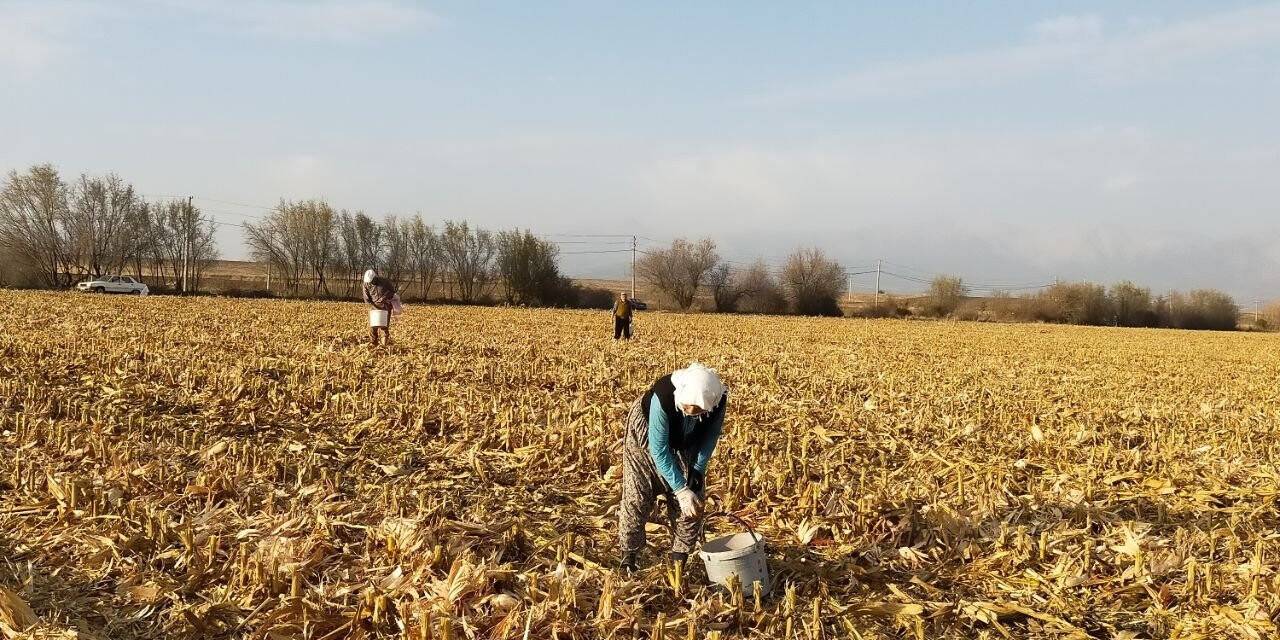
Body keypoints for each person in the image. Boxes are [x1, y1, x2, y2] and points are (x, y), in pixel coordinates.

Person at [618, 363, 728, 573]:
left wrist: (697, 468)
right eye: (686, 408)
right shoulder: (665, 396)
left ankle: (679, 558)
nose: (690, 413)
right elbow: (658, 449)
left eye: (698, 412)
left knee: (693, 501)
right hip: (646, 433)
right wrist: (679, 489)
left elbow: (711, 435)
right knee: (638, 494)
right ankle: (629, 555)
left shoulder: (717, 399)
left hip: (688, 438)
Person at [362, 269, 397, 346]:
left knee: (384, 327)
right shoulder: (366, 284)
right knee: (373, 327)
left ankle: (384, 346)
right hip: (373, 307)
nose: (371, 282)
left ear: (375, 277)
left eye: (372, 280)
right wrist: (372, 306)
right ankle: (374, 345)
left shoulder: (385, 282)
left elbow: (392, 292)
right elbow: (366, 298)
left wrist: (385, 298)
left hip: (385, 306)